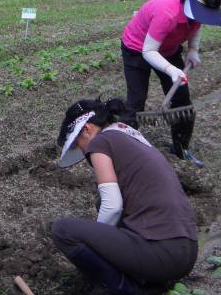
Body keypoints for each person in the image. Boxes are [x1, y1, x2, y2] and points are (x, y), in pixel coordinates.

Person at [48, 97, 198, 295]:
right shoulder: (131, 136)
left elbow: (112, 205)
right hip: (186, 251)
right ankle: (149, 282)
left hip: (161, 252)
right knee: (100, 203)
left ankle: (127, 290)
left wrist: (98, 248)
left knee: (62, 230)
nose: (83, 150)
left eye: (78, 143)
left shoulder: (100, 142)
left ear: (86, 129)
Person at [120, 0, 221, 167]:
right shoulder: (166, 12)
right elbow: (149, 51)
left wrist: (193, 49)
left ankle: (181, 148)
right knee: (136, 100)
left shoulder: (195, 11)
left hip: (168, 49)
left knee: (182, 99)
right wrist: (171, 70)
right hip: (137, 49)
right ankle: (125, 154)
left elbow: (197, 25)